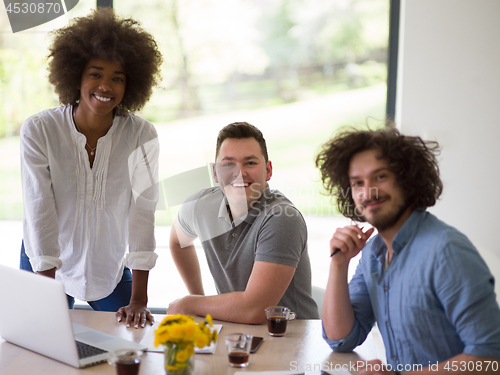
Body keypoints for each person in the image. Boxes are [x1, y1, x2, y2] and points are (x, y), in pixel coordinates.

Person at [20, 9, 163, 329]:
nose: (106, 86)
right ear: (75, 75)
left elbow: (143, 214)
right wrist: (46, 293)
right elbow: (39, 208)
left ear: (131, 84)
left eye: (118, 77)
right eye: (95, 73)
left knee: (133, 339)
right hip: (44, 262)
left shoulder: (142, 135)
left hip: (107, 265)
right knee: (38, 343)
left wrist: (139, 299)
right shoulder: (40, 130)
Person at [315, 126, 500, 374]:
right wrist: (339, 264)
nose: (368, 191)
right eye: (358, 183)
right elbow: (342, 338)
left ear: (407, 179)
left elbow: (490, 357)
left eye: (380, 177)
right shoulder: (373, 253)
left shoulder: (446, 251)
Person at [168, 122, 319, 323]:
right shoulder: (200, 206)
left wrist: (189, 303)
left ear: (268, 170)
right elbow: (178, 241)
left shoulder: (282, 218)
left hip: (291, 338)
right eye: (228, 163)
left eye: (250, 163)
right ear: (215, 173)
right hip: (236, 332)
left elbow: (256, 309)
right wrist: (198, 296)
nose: (239, 173)